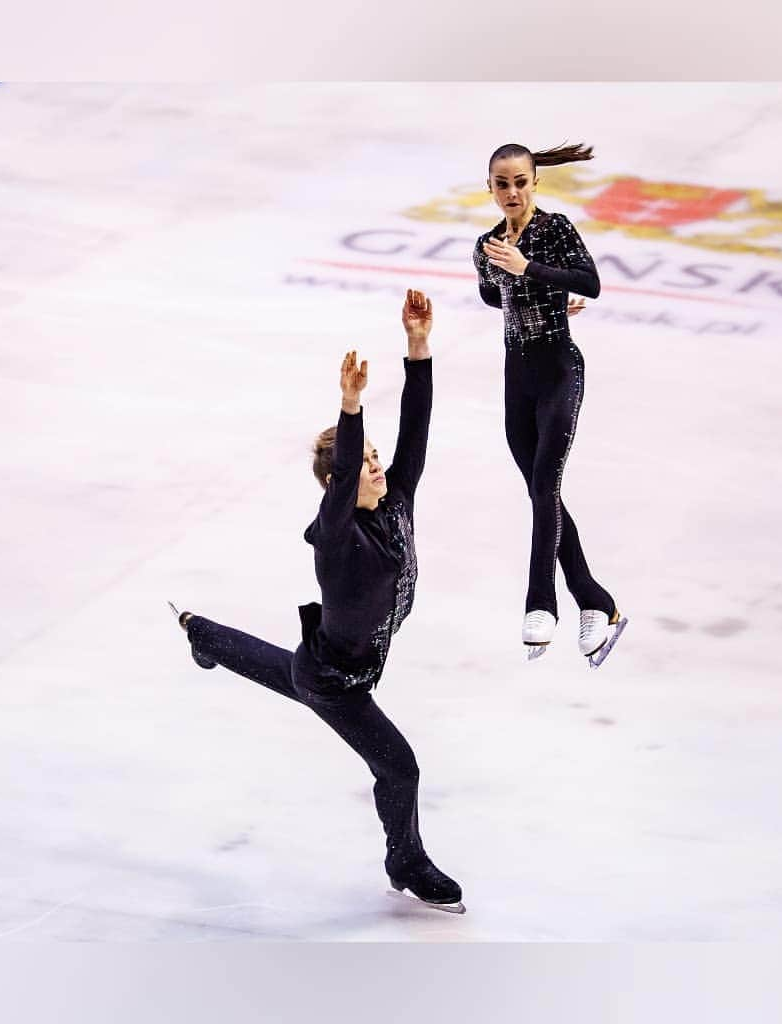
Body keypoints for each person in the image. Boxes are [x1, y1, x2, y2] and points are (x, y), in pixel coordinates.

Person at [169, 289, 464, 912]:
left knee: (284, 671)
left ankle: (202, 632)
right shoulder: (336, 539)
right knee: (400, 769)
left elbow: (419, 427)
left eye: (378, 459)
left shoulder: (396, 500)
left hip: (327, 660)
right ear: (335, 484)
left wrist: (418, 348)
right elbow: (346, 472)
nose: (378, 468)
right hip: (338, 680)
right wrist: (350, 407)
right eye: (365, 463)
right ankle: (405, 862)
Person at [473, 142, 626, 665]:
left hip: (560, 368)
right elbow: (493, 295)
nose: (511, 192)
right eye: (501, 183)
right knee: (543, 494)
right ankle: (596, 600)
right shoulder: (486, 245)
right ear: (489, 188)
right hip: (518, 377)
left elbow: (591, 282)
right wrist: (531, 286)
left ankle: (542, 602)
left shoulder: (555, 228)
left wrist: (531, 270)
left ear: (535, 182)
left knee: (545, 486)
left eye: (520, 182)